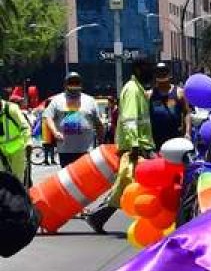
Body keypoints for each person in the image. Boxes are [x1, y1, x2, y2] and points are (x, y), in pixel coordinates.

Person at [83, 60, 155, 233]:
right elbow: (130, 120)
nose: (150, 72)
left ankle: (98, 217)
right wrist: (134, 146)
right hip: (136, 147)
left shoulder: (137, 89)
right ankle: (100, 216)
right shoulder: (132, 90)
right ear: (137, 69)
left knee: (126, 185)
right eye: (147, 68)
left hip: (139, 146)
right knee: (131, 185)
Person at [42, 72, 104, 169]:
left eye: (76, 82)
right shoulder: (57, 100)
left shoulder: (90, 100)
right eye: (71, 82)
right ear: (65, 84)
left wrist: (101, 144)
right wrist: (55, 132)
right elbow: (48, 117)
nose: (74, 85)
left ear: (81, 84)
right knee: (69, 179)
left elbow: (99, 124)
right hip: (65, 150)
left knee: (84, 177)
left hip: (86, 150)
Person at [147, 62, 191, 149]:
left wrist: (187, 133)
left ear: (169, 74)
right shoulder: (149, 95)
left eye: (164, 72)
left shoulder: (179, 92)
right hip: (156, 140)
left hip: (175, 138)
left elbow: (187, 113)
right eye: (158, 72)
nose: (161, 75)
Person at [0, 93, 31, 186]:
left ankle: (19, 198)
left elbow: (25, 127)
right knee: (2, 180)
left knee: (18, 179)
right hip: (1, 150)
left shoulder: (12, 109)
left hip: (17, 149)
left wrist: (28, 143)